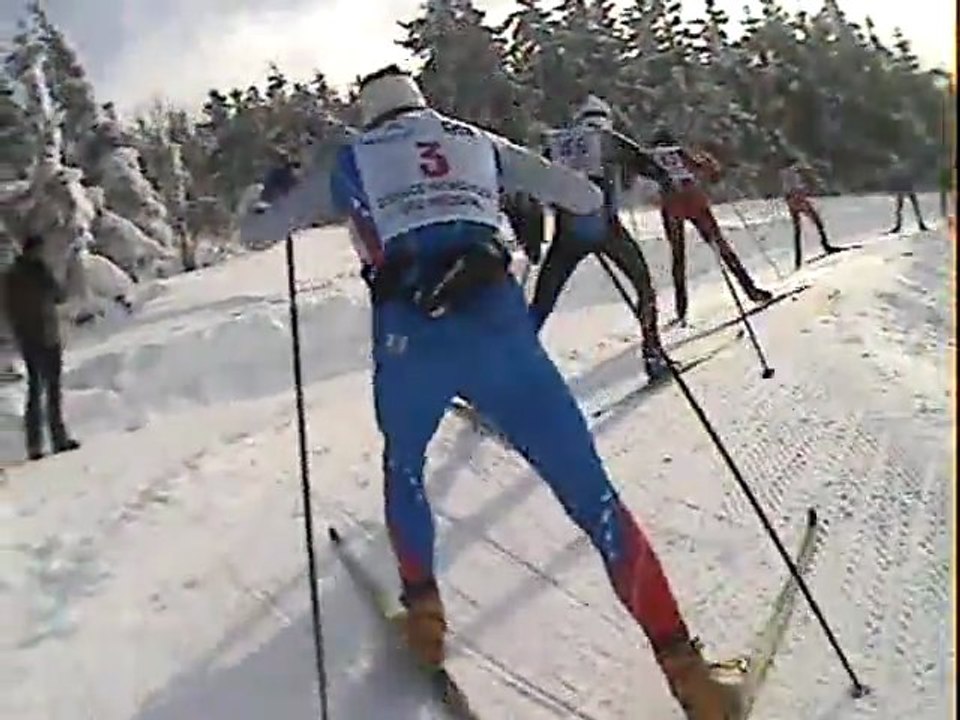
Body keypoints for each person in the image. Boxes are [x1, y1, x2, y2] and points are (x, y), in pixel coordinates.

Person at [318, 66, 740, 719]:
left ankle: (424, 614)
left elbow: (257, 231)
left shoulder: (350, 156)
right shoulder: (476, 139)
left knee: (403, 466)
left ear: (368, 113)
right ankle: (689, 674)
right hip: (502, 336)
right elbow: (578, 195)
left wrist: (279, 187)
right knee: (596, 501)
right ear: (421, 104)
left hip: (410, 345)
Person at [527, 95, 671, 381]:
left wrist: (532, 234)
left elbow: (533, 181)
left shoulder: (556, 143)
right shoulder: (606, 138)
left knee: (542, 302)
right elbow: (648, 165)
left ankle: (507, 368)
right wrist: (669, 181)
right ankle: (652, 353)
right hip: (607, 229)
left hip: (567, 234)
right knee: (643, 286)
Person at [649, 128, 772, 326]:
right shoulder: (680, 152)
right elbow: (707, 171)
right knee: (720, 246)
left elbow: (646, 181)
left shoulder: (652, 157)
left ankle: (681, 309)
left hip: (671, 205)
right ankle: (751, 290)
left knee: (678, 256)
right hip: (694, 201)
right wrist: (711, 165)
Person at [2, 234, 80, 460]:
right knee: (46, 390)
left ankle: (39, 443)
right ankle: (55, 439)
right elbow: (58, 295)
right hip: (42, 336)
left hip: (33, 336)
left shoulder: (13, 276)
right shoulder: (34, 273)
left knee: (39, 390)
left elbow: (9, 307)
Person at [779, 156, 841, 269]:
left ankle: (797, 260)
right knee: (817, 222)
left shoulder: (784, 173)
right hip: (798, 199)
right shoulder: (791, 173)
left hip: (791, 201)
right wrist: (804, 190)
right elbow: (795, 187)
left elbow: (787, 190)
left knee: (797, 231)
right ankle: (826, 246)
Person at [886, 155, 929, 233]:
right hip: (905, 188)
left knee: (905, 207)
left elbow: (908, 177)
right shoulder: (901, 168)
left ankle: (919, 224)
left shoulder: (901, 168)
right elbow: (897, 179)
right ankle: (918, 224)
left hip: (906, 188)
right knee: (904, 208)